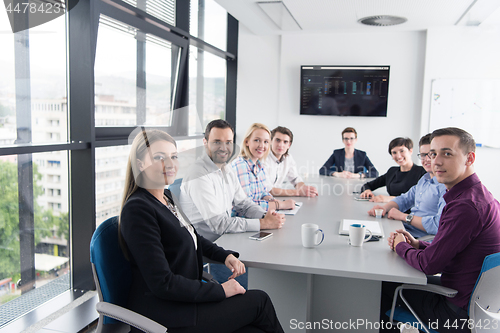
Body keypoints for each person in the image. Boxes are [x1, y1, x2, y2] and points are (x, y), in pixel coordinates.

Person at [119, 129, 285, 333]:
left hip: (186, 301)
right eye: (159, 157)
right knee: (260, 301)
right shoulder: (138, 209)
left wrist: (225, 256)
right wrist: (220, 290)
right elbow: (163, 283)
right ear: (140, 163)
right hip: (165, 314)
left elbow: (193, 236)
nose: (169, 164)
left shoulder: (166, 197)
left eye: (173, 156)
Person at [381, 127, 500, 333]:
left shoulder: (466, 207)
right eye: (432, 154)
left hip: (456, 311)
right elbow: (457, 248)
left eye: (447, 153)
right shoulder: (477, 196)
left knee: (379, 287)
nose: (435, 161)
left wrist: (400, 246)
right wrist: (418, 244)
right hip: (472, 300)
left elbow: (428, 264)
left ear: (469, 158)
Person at [179, 120, 285, 287]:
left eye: (228, 142)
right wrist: (262, 223)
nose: (223, 147)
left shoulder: (225, 168)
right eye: (217, 142)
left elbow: (243, 203)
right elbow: (218, 224)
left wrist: (265, 216)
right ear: (205, 142)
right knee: (265, 278)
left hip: (227, 239)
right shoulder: (198, 174)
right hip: (208, 249)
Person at [368, 134, 446, 238]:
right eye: (423, 155)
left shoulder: (444, 186)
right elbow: (405, 199)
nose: (426, 159)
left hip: (419, 238)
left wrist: (403, 216)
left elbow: (437, 225)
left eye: (431, 154)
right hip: (405, 228)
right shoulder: (424, 179)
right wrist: (384, 208)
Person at [232, 123, 295, 212]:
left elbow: (263, 192)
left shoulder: (259, 165)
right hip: (243, 220)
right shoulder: (240, 165)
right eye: (257, 140)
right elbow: (245, 205)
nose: (262, 146)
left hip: (257, 216)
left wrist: (271, 200)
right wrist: (279, 205)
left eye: (266, 142)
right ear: (247, 142)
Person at [360, 137, 426, 203]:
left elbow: (422, 198)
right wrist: (367, 191)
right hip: (390, 210)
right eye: (394, 152)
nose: (398, 156)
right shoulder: (392, 171)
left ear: (410, 151)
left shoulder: (422, 172)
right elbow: (367, 185)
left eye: (402, 151)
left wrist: (391, 199)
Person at [263, 126, 318, 197]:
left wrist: (305, 189)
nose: (281, 145)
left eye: (285, 142)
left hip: (276, 198)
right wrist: (298, 192)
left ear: (289, 145)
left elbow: (295, 179)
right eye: (277, 140)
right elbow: (268, 190)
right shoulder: (263, 158)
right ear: (270, 141)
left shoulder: (288, 158)